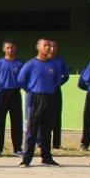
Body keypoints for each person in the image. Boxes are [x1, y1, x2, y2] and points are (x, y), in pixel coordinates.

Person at [18, 39, 63, 167]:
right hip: (35, 98)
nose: (48, 48)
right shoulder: (31, 64)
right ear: (38, 47)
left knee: (47, 129)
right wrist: (31, 90)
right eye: (45, 45)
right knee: (32, 129)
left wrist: (50, 89)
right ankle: (26, 159)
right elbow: (21, 80)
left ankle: (46, 157)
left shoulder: (53, 65)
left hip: (50, 97)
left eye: (50, 45)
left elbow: (57, 80)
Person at [0, 41, 24, 157]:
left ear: (15, 49)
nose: (10, 50)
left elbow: (23, 79)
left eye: (12, 47)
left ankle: (17, 148)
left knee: (16, 121)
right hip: (1, 93)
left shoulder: (20, 64)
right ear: (4, 49)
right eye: (8, 48)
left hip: (15, 93)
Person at [48, 41, 68, 149]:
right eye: (49, 46)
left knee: (56, 116)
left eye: (54, 46)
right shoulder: (42, 61)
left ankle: (56, 143)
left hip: (56, 91)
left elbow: (66, 76)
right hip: (44, 92)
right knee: (42, 116)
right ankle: (40, 142)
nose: (51, 48)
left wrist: (58, 83)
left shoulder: (61, 60)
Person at [79, 55, 90, 153]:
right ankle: (85, 143)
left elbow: (86, 78)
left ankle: (85, 144)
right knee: (88, 119)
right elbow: (85, 78)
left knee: (88, 119)